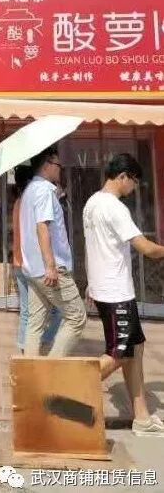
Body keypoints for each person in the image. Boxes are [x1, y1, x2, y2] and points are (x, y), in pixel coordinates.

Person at [83, 153, 164, 437]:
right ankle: (68, 390)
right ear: (123, 176)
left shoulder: (91, 203)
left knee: (135, 348)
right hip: (115, 292)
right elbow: (145, 248)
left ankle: (142, 417)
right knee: (118, 354)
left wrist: (90, 283)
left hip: (107, 290)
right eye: (135, 181)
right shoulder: (114, 208)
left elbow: (91, 247)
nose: (135, 187)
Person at [21, 145, 87, 357]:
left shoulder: (31, 191)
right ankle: (52, 366)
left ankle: (30, 370)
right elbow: (42, 227)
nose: (61, 169)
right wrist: (51, 266)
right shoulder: (43, 191)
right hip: (50, 270)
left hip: (33, 270)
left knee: (35, 323)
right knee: (77, 317)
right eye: (58, 165)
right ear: (47, 164)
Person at [12, 164, 61, 353]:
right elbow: (41, 230)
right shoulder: (31, 203)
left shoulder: (18, 203)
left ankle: (25, 346)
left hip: (19, 263)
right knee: (59, 309)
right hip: (33, 265)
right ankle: (42, 341)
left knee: (27, 310)